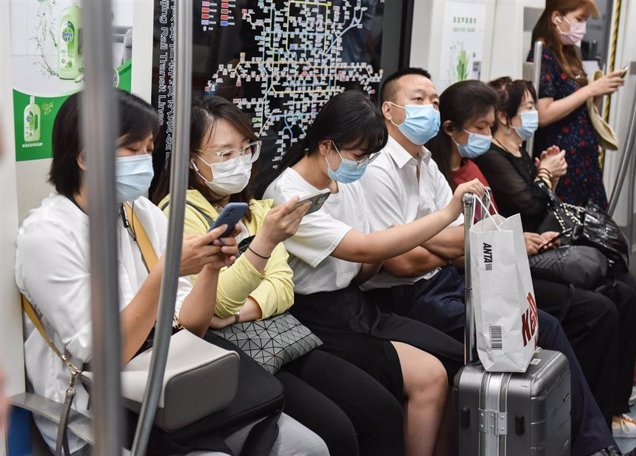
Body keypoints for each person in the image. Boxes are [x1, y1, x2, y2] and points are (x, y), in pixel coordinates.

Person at [15, 90, 328, 456]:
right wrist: (164, 274)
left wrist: (211, 267)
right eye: (132, 150)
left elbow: (191, 326)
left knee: (308, 447)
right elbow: (106, 354)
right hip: (101, 413)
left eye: (148, 149)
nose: (144, 161)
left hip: (171, 383)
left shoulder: (139, 213)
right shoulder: (48, 235)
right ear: (85, 157)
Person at [358, 67, 636, 456]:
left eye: (433, 99)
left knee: (555, 323)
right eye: (417, 100)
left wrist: (435, 241)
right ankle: (595, 447)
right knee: (544, 325)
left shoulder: (426, 162)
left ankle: (594, 446)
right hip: (405, 297)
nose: (428, 106)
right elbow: (403, 261)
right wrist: (448, 242)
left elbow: (475, 235)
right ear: (389, 111)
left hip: (449, 278)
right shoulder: (377, 171)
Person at [154, 95, 405, 456]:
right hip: (229, 355)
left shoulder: (256, 209)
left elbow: (283, 288)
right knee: (337, 432)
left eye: (245, 150)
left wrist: (237, 313)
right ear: (192, 161)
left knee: (382, 410)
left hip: (277, 339)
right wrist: (263, 246)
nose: (239, 162)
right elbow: (215, 301)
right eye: (225, 155)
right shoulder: (179, 214)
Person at [258, 89, 476, 456]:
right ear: (327, 146)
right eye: (359, 156)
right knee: (424, 379)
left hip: (354, 305)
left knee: (458, 359)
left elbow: (366, 261)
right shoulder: (289, 196)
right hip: (314, 319)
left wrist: (383, 247)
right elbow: (364, 247)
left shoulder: (344, 181)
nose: (363, 165)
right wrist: (446, 215)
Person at [474, 75, 636, 436]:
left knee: (625, 286)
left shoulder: (519, 151)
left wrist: (547, 178)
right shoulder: (491, 157)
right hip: (521, 255)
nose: (533, 114)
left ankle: (623, 394)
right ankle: (599, 418)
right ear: (505, 117)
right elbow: (525, 205)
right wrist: (545, 174)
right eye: (527, 108)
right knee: (600, 307)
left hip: (540, 242)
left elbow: (537, 205)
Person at [529, 0, 626, 207]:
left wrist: (598, 91)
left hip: (585, 158)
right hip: (563, 159)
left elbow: (580, 107)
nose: (583, 27)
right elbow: (543, 114)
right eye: (579, 19)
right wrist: (590, 90)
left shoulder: (571, 54)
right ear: (557, 18)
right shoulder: (544, 55)